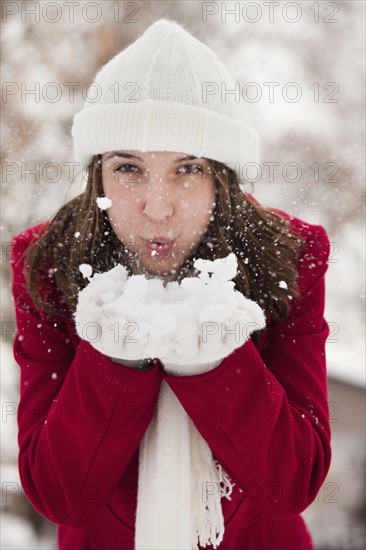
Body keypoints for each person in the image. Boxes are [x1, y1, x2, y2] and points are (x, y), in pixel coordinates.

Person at [11, 18, 332, 550]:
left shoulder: (290, 257)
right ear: (97, 174)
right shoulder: (50, 264)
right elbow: (59, 494)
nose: (157, 209)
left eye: (188, 169)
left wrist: (211, 361)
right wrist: (116, 358)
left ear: (222, 177)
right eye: (129, 168)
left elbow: (291, 483)